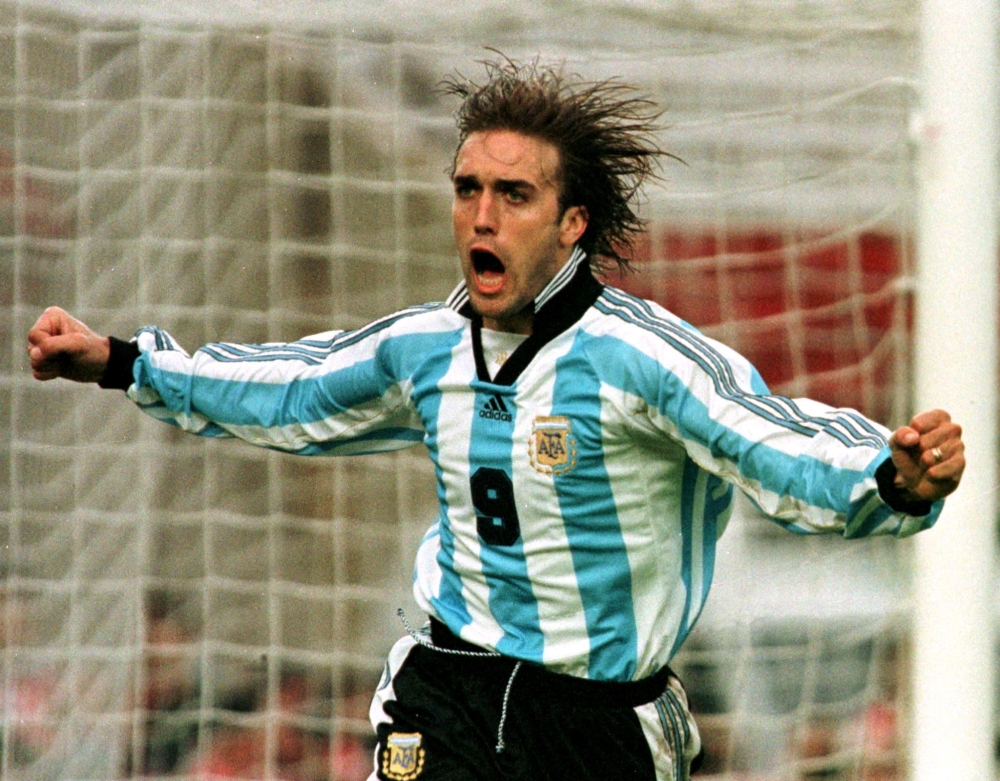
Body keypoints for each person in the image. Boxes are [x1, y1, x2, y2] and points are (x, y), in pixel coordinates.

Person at [26, 57, 964, 781]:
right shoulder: (424, 346)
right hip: (453, 689)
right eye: (468, 188)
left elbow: (773, 441)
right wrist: (124, 361)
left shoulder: (646, 359)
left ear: (572, 226)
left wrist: (888, 478)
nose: (481, 214)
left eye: (513, 195)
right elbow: (292, 389)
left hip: (598, 719)